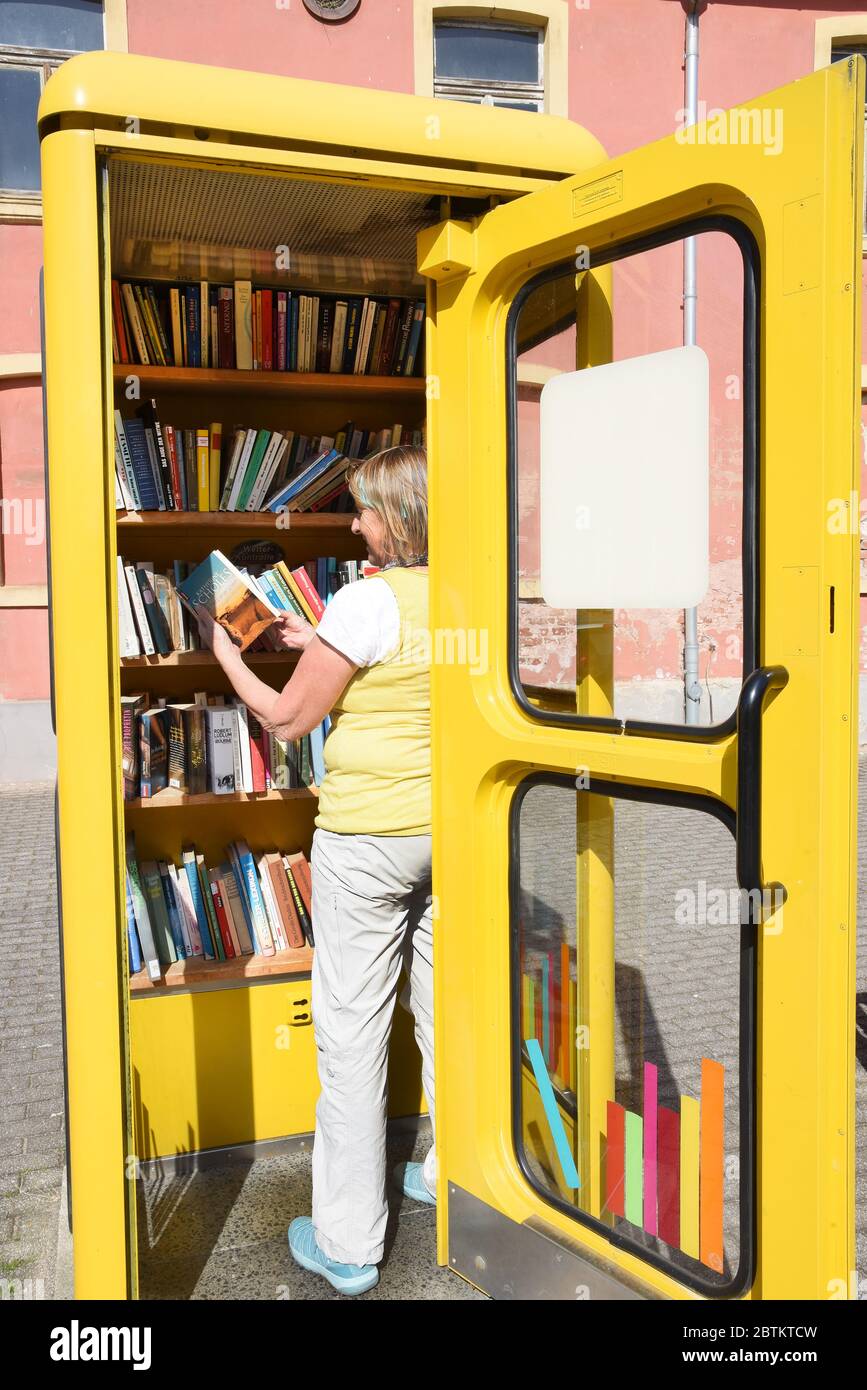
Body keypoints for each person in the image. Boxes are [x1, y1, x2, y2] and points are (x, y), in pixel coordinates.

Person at [195, 445, 434, 1297]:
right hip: (450, 835)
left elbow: (291, 719)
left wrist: (227, 653)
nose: (356, 524)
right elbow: (389, 662)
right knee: (446, 1017)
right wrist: (315, 636)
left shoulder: (367, 599)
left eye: (366, 511)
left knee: (352, 1038)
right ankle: (450, 1177)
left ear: (395, 519)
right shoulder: (467, 590)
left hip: (368, 844)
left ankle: (347, 1242)